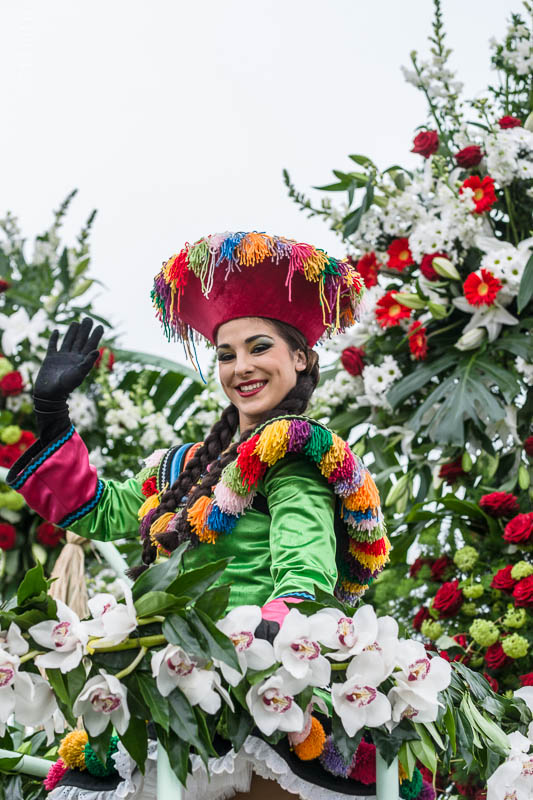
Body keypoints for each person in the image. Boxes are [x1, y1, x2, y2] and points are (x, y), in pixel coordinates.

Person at [8, 231, 389, 800]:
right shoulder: (185, 467)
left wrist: (267, 634)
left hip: (265, 685)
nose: (242, 367)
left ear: (301, 357)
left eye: (260, 348)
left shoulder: (297, 451)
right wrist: (51, 415)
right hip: (176, 686)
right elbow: (97, 510)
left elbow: (304, 570)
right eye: (227, 354)